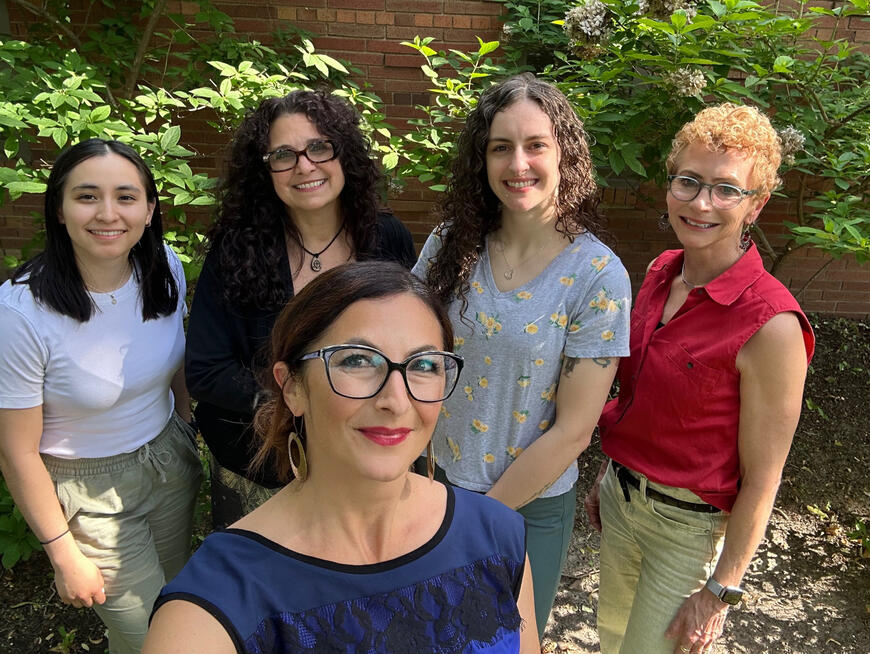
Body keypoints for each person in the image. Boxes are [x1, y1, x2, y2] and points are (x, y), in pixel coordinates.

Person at [144, 261, 538, 654]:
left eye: (423, 365)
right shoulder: (212, 605)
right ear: (293, 387)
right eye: (357, 360)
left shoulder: (497, 536)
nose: (396, 401)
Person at [586, 103, 816, 654]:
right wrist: (607, 471)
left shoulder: (771, 325)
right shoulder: (660, 273)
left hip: (687, 532)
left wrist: (721, 590)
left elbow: (764, 477)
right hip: (621, 500)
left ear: (756, 204)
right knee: (612, 638)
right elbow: (634, 394)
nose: (701, 203)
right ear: (670, 187)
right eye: (688, 182)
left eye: (726, 189)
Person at [414, 73, 631, 637]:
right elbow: (413, 355)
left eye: (536, 145)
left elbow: (574, 431)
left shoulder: (598, 276)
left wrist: (476, 521)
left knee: (503, 643)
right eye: (500, 147)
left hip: (524, 510)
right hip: (428, 487)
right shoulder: (449, 244)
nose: (518, 164)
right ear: (481, 160)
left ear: (564, 154)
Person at [0, 139, 202, 654]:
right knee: (153, 639)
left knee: (176, 607)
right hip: (87, 494)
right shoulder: (21, 312)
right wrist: (61, 551)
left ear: (150, 209)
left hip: (167, 461)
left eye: (126, 197)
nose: (108, 214)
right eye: (87, 196)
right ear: (60, 210)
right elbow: (17, 451)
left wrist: (183, 422)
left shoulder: (165, 270)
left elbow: (171, 359)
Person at [185, 90, 416, 528]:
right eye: (283, 154)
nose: (304, 166)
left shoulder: (387, 240)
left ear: (341, 153)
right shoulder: (237, 249)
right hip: (259, 467)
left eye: (318, 147)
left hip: (362, 458)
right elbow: (206, 369)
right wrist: (294, 401)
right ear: (265, 170)